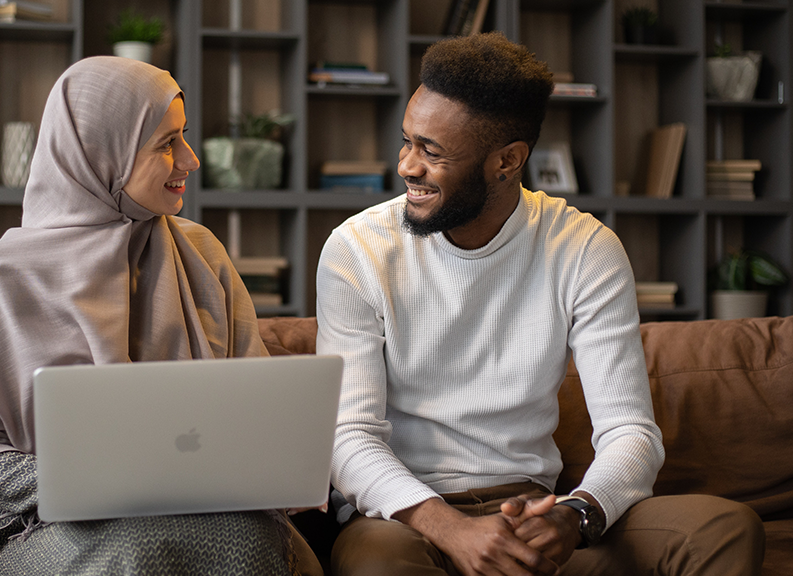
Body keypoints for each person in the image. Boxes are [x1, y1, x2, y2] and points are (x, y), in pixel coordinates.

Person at [316, 32, 765, 576]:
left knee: (723, 529)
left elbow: (630, 433)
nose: (407, 166)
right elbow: (348, 436)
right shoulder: (356, 249)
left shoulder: (584, 249)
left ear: (506, 161)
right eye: (408, 141)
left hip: (532, 512)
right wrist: (452, 529)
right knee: (376, 566)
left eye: (431, 152)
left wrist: (575, 517)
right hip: (405, 521)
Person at [0, 56, 321, 576]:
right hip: (55, 523)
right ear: (100, 153)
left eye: (185, 137)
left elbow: (260, 405)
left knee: (246, 544)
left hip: (211, 513)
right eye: (166, 144)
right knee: (137, 553)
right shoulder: (9, 272)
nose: (190, 160)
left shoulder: (201, 253)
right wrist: (82, 484)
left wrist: (277, 467)